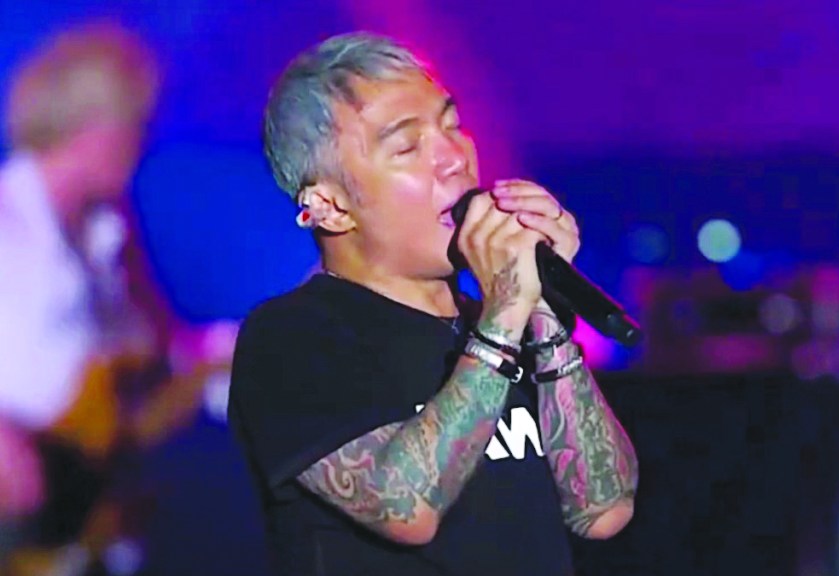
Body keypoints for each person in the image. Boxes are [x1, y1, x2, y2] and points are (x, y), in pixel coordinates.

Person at [228, 32, 639, 575]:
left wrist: (539, 308)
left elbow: (603, 509)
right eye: (407, 147)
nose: (453, 158)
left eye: (451, 125)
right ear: (330, 206)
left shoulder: (504, 321)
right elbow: (406, 508)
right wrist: (504, 318)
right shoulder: (292, 336)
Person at [0, 21, 212, 574]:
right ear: (95, 127)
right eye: (136, 126)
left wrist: (244, 346)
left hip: (90, 530)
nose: (145, 144)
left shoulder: (111, 237)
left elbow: (157, 358)